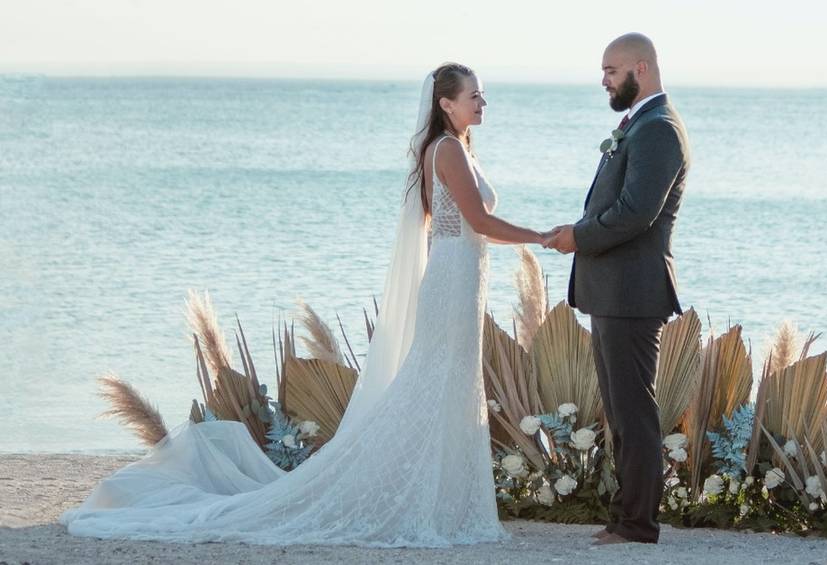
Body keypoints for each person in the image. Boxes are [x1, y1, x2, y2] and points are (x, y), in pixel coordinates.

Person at [60, 63, 546, 547]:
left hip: (458, 276)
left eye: (483, 96)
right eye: (474, 96)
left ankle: (441, 497)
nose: (482, 104)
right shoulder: (447, 150)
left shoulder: (452, 148)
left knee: (446, 381)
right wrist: (544, 237)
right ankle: (412, 493)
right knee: (436, 379)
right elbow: (478, 222)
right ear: (446, 103)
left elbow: (459, 226)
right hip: (452, 277)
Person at [544, 33, 690, 545]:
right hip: (613, 291)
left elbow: (635, 213)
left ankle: (638, 524)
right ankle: (625, 516)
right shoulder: (639, 125)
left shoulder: (659, 130)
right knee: (621, 412)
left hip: (633, 292)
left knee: (634, 412)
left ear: (641, 68)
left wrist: (576, 238)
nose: (603, 79)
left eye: (611, 70)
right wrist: (577, 236)